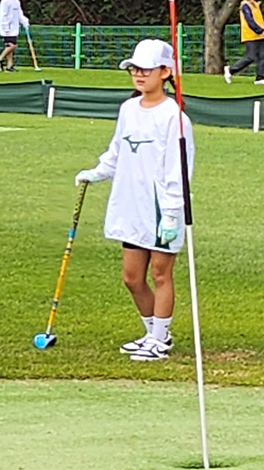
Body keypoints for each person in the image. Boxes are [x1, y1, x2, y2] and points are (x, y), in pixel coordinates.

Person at [74, 39, 194, 363]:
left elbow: (178, 170)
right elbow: (117, 150)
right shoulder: (128, 109)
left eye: (146, 69)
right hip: (131, 204)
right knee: (131, 277)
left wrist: (171, 211)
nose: (139, 75)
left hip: (160, 207)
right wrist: (97, 172)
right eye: (134, 69)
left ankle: (159, 339)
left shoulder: (175, 117)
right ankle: (154, 332)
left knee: (160, 273)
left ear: (165, 72)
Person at [225, 0, 264, 86]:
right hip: (250, 35)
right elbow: (250, 21)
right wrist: (261, 30)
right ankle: (231, 70)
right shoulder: (246, 5)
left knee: (262, 56)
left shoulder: (254, 5)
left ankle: (260, 78)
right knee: (250, 57)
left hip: (258, 35)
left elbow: (255, 20)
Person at [0, 0, 28, 72]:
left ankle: (9, 66)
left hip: (15, 28)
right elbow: (3, 15)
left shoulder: (16, 1)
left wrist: (24, 21)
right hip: (7, 28)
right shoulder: (5, 1)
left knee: (10, 47)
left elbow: (20, 14)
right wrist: (6, 28)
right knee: (12, 46)